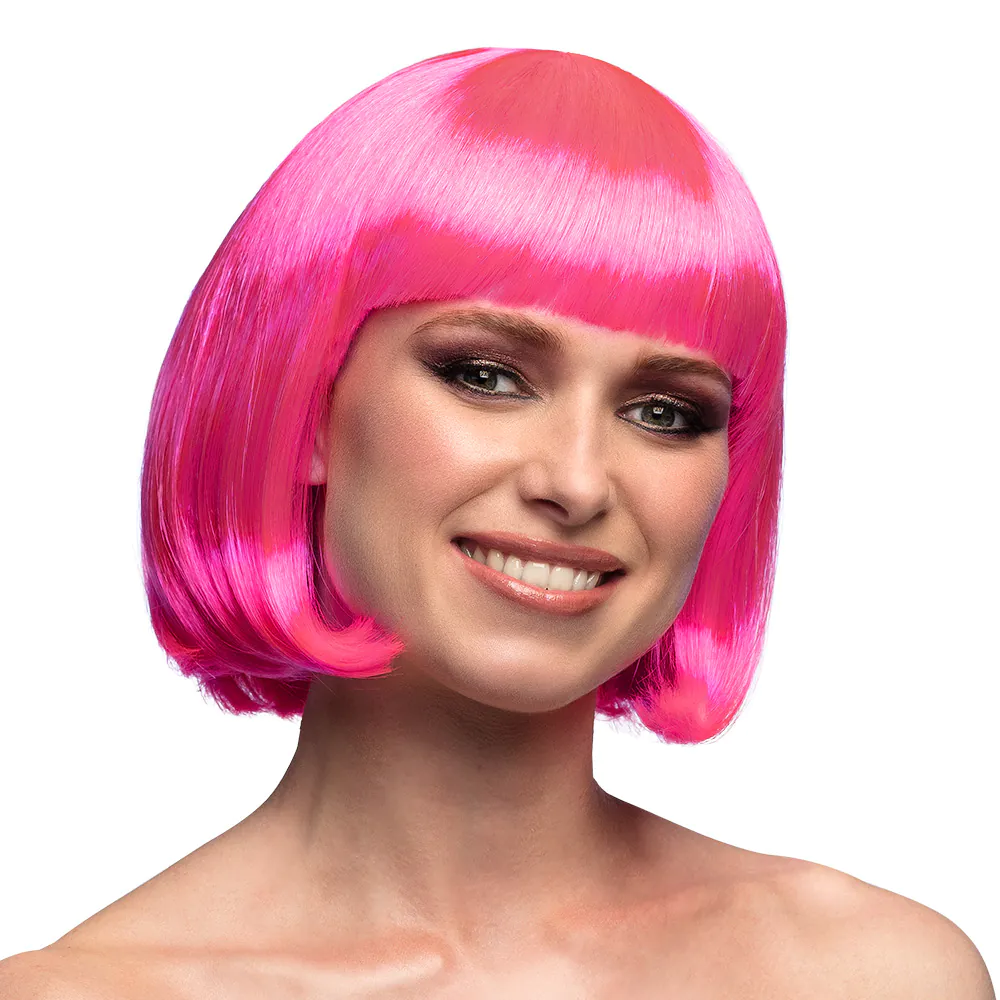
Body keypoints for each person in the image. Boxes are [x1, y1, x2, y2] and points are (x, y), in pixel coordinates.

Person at [2, 47, 992, 999]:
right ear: (304, 407)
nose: (577, 481)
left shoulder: (878, 977)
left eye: (664, 412)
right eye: (486, 375)